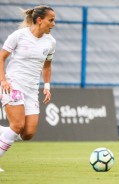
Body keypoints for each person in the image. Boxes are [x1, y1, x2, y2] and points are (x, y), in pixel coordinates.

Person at [0, 5, 56, 172]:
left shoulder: (50, 42)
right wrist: (3, 81)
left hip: (32, 89)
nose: (53, 24)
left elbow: (47, 66)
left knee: (27, 133)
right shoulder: (19, 36)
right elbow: (1, 58)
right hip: (13, 83)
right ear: (39, 20)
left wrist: (47, 86)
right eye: (51, 20)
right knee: (17, 124)